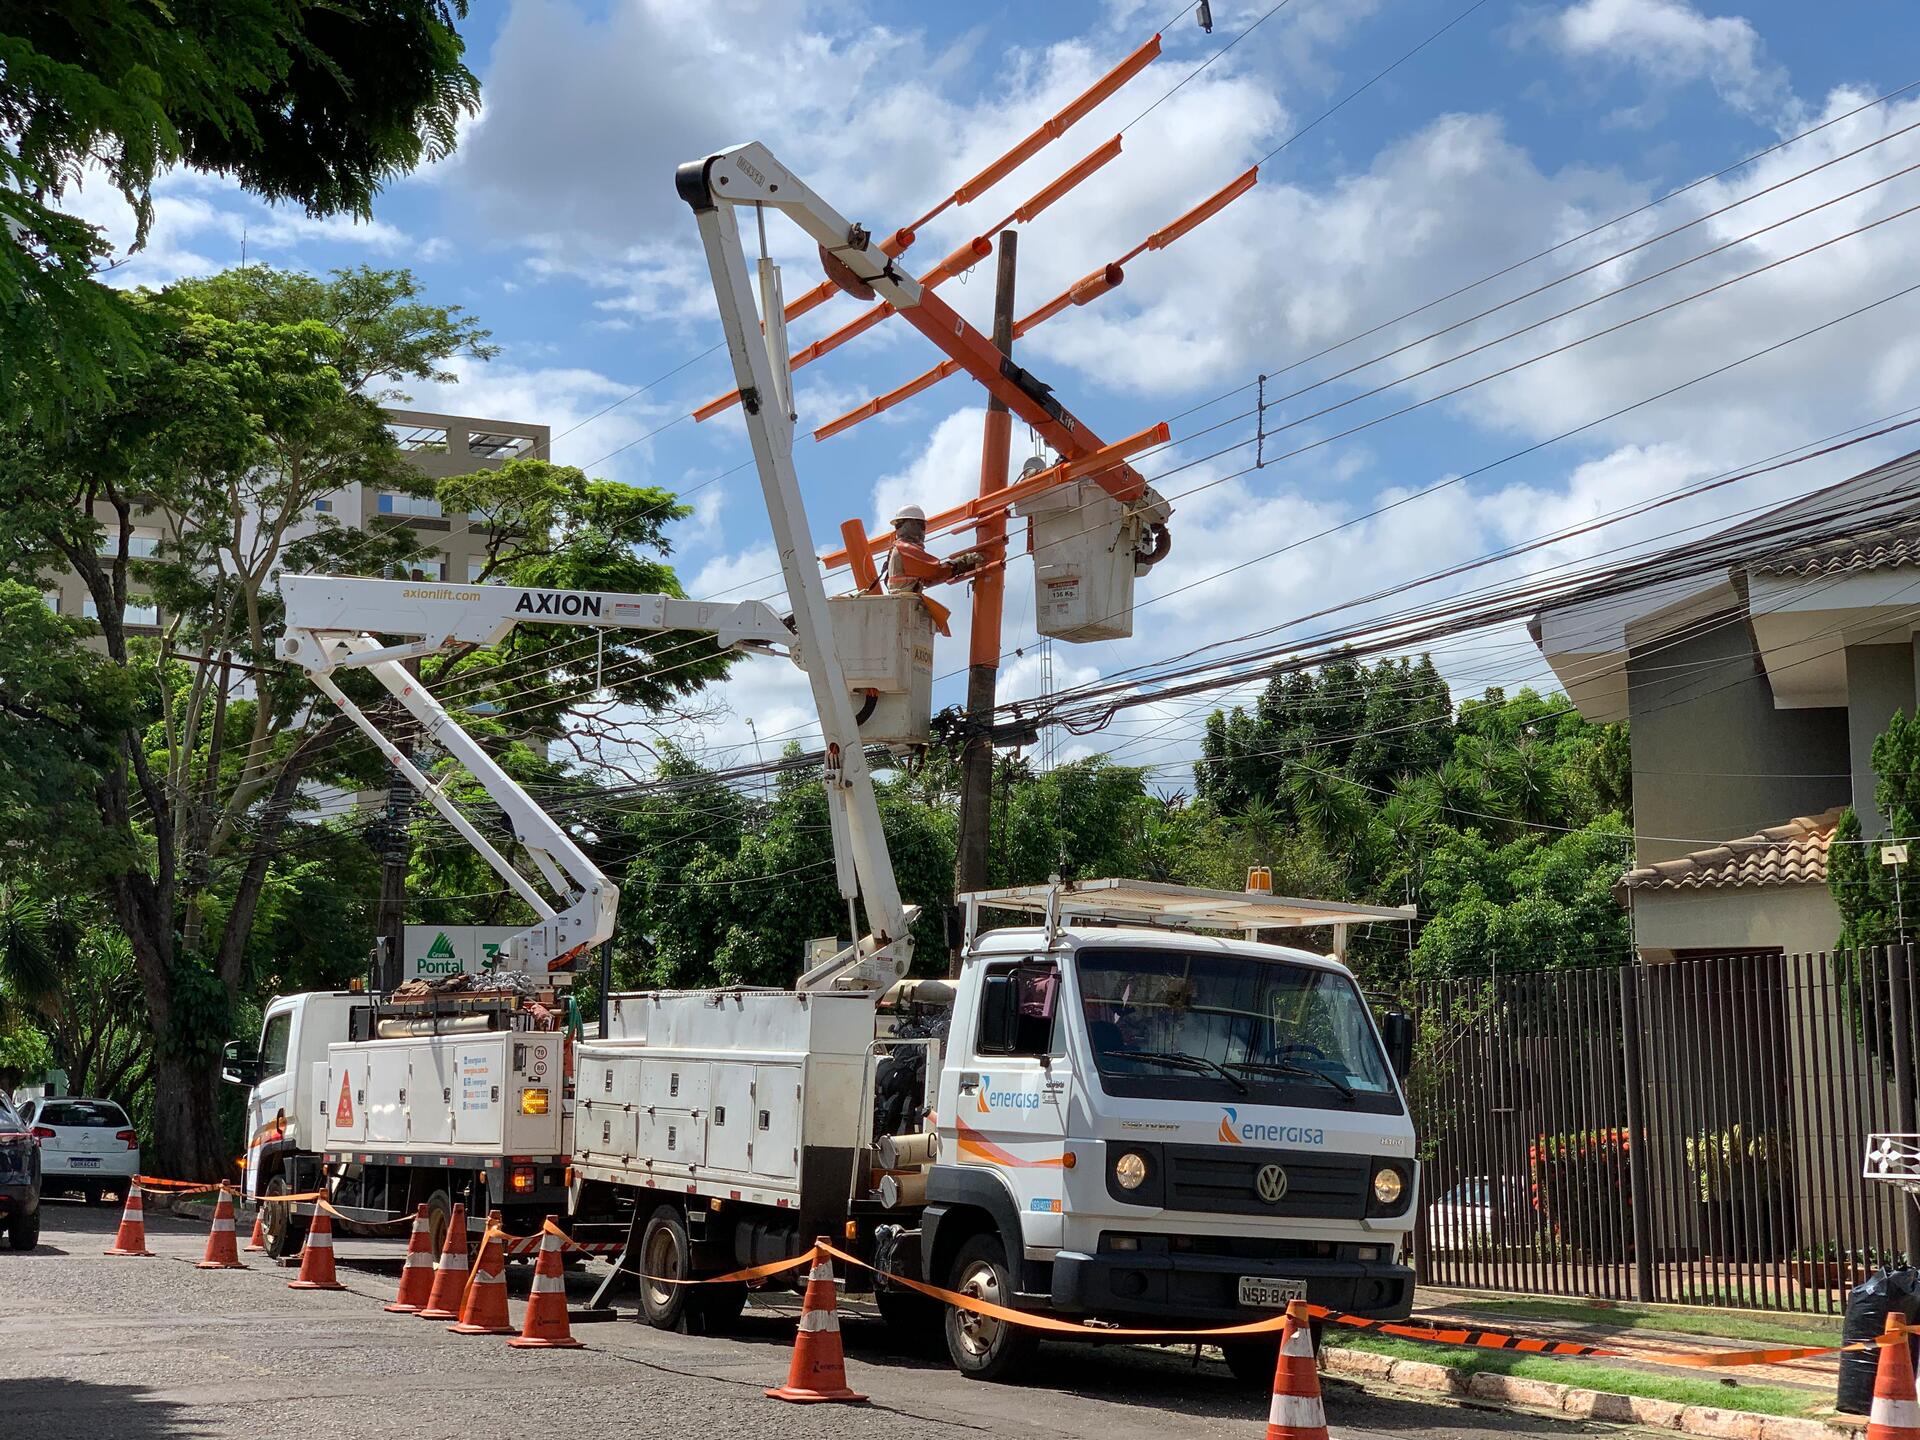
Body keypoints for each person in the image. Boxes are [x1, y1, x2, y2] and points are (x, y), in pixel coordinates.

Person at [883, 504, 981, 592]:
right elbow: (935, 572)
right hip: (906, 604)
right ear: (913, 524)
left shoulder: (898, 548)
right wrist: (963, 562)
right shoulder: (905, 548)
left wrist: (960, 567)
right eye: (921, 525)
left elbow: (929, 579)